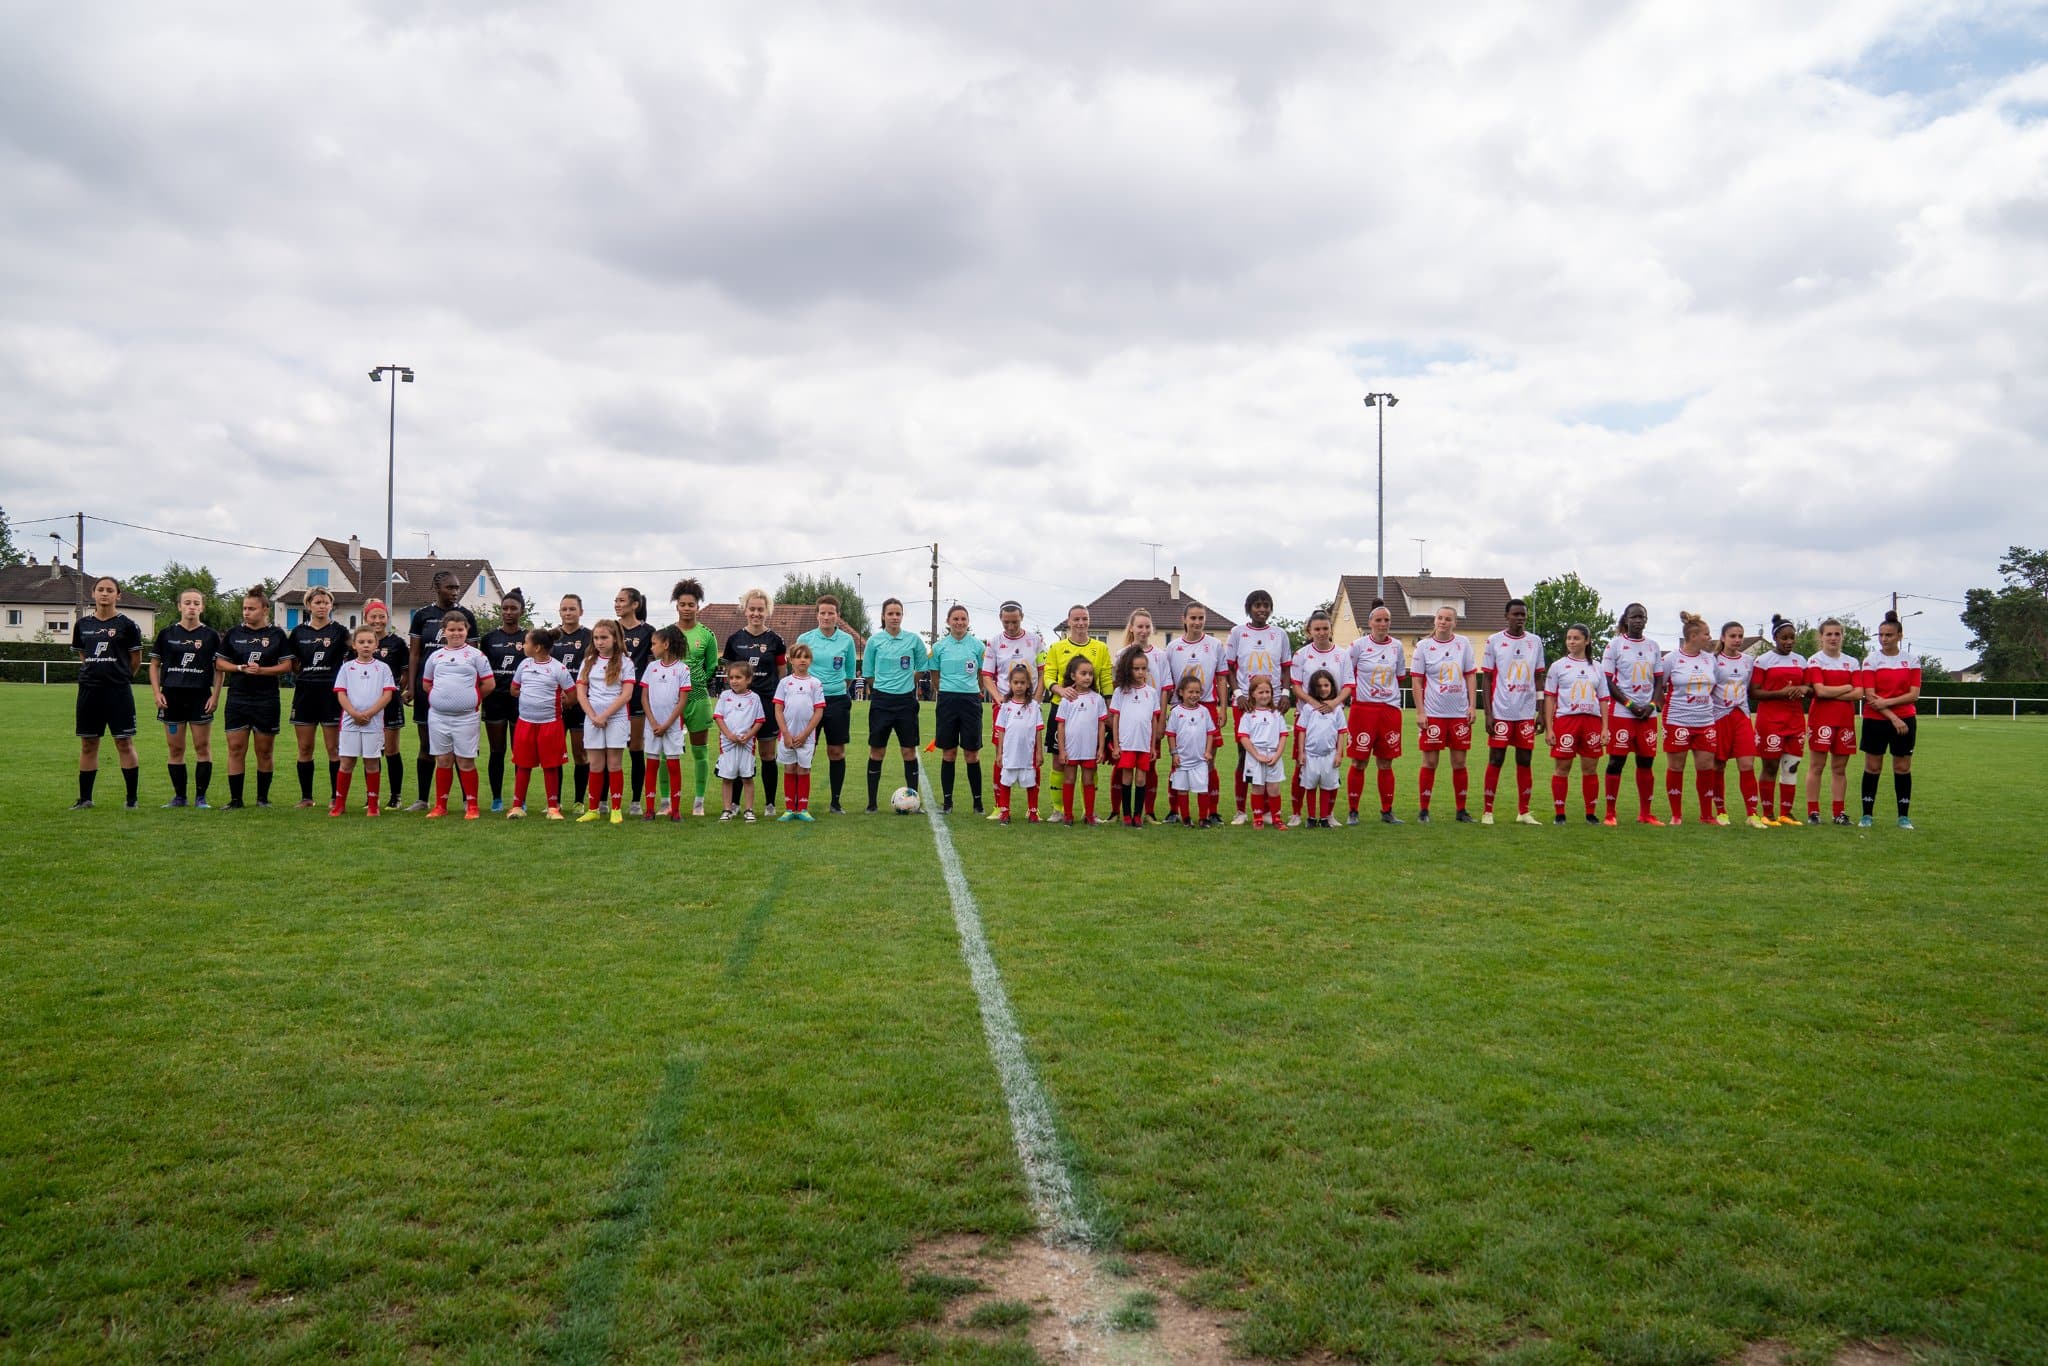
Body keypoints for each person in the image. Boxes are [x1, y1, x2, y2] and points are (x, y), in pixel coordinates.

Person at [406, 570, 478, 812]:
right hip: (428, 690)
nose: (455, 592)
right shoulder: (423, 616)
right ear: (436, 587)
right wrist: (413, 686)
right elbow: (415, 653)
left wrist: (474, 692)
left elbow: (474, 657)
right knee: (427, 745)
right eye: (450, 587)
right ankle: (423, 799)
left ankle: (468, 800)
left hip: (460, 692)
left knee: (460, 749)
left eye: (457, 588)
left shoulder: (466, 616)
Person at [71, 574, 144, 809]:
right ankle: (85, 799)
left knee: (124, 742)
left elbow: (135, 660)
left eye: (109, 590)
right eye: (100, 589)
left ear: (118, 595)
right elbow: (84, 655)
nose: (104, 593)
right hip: (89, 691)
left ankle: (131, 799)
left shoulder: (128, 625)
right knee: (88, 744)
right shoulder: (82, 625)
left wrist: (118, 676)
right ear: (93, 594)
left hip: (118, 692)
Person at [217, 587, 291, 809]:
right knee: (236, 748)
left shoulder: (277, 635)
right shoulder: (234, 634)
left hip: (266, 699)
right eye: (244, 608)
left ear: (265, 609)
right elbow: (219, 663)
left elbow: (287, 665)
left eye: (251, 608)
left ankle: (262, 799)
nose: (246, 612)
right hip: (238, 698)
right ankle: (236, 800)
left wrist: (262, 671)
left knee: (264, 750)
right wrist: (240, 667)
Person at [149, 587, 223, 808]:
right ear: (179, 606)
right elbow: (154, 666)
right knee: (175, 749)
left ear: (202, 607)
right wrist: (157, 692)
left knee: (202, 747)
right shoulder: (166, 634)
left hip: (200, 697)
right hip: (171, 697)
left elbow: (219, 669)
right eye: (187, 602)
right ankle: (179, 797)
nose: (192, 607)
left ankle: (201, 798)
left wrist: (216, 696)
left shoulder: (211, 636)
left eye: (196, 603)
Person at [1225, 590, 1292, 824]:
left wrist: (1284, 693)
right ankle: (1242, 810)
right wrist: (1237, 693)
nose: (1262, 609)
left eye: (1266, 605)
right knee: (1245, 755)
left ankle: (1266, 811)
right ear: (1249, 608)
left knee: (1270, 752)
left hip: (1271, 703)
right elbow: (1230, 669)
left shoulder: (1279, 634)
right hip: (1245, 703)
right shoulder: (1237, 633)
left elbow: (1285, 668)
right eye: (1257, 605)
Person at [1041, 605, 1113, 823]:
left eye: (1085, 619)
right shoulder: (1057, 647)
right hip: (1062, 707)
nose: (1081, 623)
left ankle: (1088, 812)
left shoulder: (1100, 648)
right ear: (1069, 621)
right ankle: (1058, 809)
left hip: (1092, 711)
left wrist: (1108, 709)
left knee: (1090, 760)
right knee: (1059, 762)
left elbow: (1106, 679)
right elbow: (1048, 675)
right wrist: (1060, 690)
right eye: (1077, 619)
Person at [721, 588, 788, 816]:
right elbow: (728, 672)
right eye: (752, 609)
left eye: (760, 609)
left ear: (767, 611)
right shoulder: (734, 640)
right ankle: (735, 804)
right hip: (740, 706)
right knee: (740, 751)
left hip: (767, 703)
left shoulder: (776, 640)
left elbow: (782, 673)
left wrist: (781, 701)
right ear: (745, 610)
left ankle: (770, 804)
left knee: (768, 755)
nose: (756, 613)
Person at [1480, 598, 1546, 826]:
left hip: (1526, 712)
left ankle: (1524, 812)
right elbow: (1487, 678)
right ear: (1506, 616)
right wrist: (1488, 713)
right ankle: (1487, 812)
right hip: (1501, 710)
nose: (1520, 618)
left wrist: (1541, 710)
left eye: (1523, 615)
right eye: (1516, 614)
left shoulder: (1535, 642)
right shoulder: (1494, 641)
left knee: (1524, 760)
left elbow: (1538, 677)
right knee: (1496, 759)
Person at [795, 594, 863, 814]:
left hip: (836, 701)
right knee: (807, 751)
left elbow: (850, 674)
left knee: (836, 751)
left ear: (838, 616)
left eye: (830, 613)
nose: (826, 617)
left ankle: (835, 802)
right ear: (817, 615)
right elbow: (797, 668)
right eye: (822, 613)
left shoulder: (846, 641)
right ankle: (799, 801)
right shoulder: (805, 638)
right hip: (808, 700)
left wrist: (832, 689)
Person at [421, 611, 492, 820]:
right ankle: (440, 805)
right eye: (451, 629)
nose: (456, 633)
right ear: (444, 631)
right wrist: (442, 698)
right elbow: (427, 684)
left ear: (467, 630)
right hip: (438, 717)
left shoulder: (476, 655)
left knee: (465, 761)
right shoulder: (435, 656)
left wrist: (471, 699)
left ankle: (472, 806)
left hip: (466, 718)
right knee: (443, 760)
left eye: (460, 629)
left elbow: (489, 684)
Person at [862, 597, 930, 812]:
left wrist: (907, 683)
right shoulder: (874, 641)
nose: (894, 617)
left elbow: (921, 667)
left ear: (902, 616)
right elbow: (869, 674)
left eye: (897, 613)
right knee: (877, 751)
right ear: (883, 616)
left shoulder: (913, 640)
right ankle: (872, 803)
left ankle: (914, 802)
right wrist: (884, 687)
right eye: (890, 613)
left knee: (908, 750)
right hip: (881, 701)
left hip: (906, 702)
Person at [1601, 602, 1666, 825]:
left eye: (1642, 617)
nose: (1638, 620)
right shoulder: (1614, 646)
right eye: (1634, 617)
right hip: (1622, 713)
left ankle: (1645, 813)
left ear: (1646, 620)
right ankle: (1610, 814)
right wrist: (1629, 704)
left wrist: (1652, 704)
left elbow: (1659, 679)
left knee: (1646, 762)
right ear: (1626, 620)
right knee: (1616, 762)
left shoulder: (1653, 646)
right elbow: (1607, 681)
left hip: (1648, 715)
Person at [1411, 606, 1478, 823]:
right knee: (1430, 763)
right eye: (1440, 618)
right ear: (1434, 620)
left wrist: (1471, 706)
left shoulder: (1463, 643)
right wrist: (1421, 712)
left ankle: (1461, 810)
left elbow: (1470, 676)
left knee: (1459, 762)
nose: (1443, 622)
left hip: (1458, 713)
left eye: (1448, 619)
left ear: (1454, 623)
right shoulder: (1423, 646)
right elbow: (1417, 680)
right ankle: (1423, 810)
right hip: (1434, 714)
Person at [287, 585, 350, 809]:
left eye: (325, 602)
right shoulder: (298, 633)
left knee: (333, 748)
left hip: (331, 695)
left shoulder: (340, 632)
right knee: (305, 747)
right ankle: (306, 797)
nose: (322, 606)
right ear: (308, 606)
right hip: (305, 694)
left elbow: (352, 658)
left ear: (331, 605)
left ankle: (335, 797)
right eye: (317, 603)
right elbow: (293, 664)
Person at [1165, 602, 1228, 821]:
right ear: (1184, 620)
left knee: (1208, 761)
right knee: (1178, 760)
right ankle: (1175, 810)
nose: (1197, 622)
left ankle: (1212, 811)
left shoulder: (1215, 645)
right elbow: (1168, 682)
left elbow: (1221, 677)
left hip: (1208, 707)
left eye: (1201, 618)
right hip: (1179, 708)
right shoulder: (1173, 648)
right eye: (1193, 618)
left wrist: (1222, 707)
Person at [1288, 611, 1352, 826]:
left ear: (1331, 629)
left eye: (1325, 628)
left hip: (1333, 718)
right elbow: (1295, 686)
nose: (1322, 633)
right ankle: (1298, 813)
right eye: (1317, 629)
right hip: (1307, 716)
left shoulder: (1342, 655)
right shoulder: (1301, 655)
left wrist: (1334, 703)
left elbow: (1348, 685)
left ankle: (1329, 815)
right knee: (1302, 765)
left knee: (1331, 768)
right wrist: (1312, 703)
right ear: (1309, 631)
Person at [1859, 609, 1921, 830]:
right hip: (1877, 720)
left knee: (1902, 767)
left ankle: (1903, 817)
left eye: (1889, 635)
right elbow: (1870, 694)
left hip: (1906, 719)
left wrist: (1887, 704)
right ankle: (1867, 815)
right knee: (1873, 767)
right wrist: (1893, 716)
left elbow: (1914, 694)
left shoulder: (1911, 660)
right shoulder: (1871, 660)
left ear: (1900, 636)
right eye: (1881, 635)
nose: (1884, 639)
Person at [981, 601, 1043, 821]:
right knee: (1002, 754)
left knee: (1033, 752)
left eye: (1015, 622)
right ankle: (1000, 806)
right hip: (1005, 707)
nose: (1010, 626)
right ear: (1000, 619)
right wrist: (999, 699)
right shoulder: (994, 642)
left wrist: (1035, 698)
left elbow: (1043, 671)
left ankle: (1032, 808)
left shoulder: (1036, 641)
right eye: (1006, 622)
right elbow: (987, 675)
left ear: (1022, 617)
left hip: (1030, 705)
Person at [1345, 602, 1406, 825]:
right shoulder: (1358, 646)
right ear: (1370, 623)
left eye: (1386, 620)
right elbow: (1347, 674)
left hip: (1389, 710)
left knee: (1386, 763)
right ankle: (1353, 811)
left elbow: (1399, 677)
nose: (1382, 624)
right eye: (1378, 620)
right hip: (1363, 710)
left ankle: (1387, 811)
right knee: (1359, 762)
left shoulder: (1397, 646)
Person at [1542, 625, 1610, 825]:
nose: (1571, 642)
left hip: (1591, 722)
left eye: (1576, 638)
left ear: (1587, 641)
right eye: (1569, 638)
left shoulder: (1597, 667)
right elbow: (1549, 698)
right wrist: (1550, 727)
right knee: (1562, 768)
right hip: (1566, 721)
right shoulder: (1558, 666)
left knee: (1590, 768)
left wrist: (1605, 727)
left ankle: (1590, 814)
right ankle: (1560, 813)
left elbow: (1604, 698)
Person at [1661, 611, 1722, 826]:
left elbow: (1714, 687)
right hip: (1677, 720)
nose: (1709, 637)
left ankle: (1706, 815)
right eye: (1706, 634)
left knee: (1706, 767)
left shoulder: (1710, 660)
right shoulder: (1670, 659)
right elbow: (1660, 687)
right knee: (1676, 767)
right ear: (1693, 636)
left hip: (1705, 721)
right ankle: (1676, 815)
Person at [670, 580, 725, 816]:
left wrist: (698, 681)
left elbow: (712, 665)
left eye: (690, 604)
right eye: (682, 604)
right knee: (667, 753)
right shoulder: (667, 633)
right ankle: (665, 802)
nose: (686, 608)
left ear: (697, 606)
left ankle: (699, 801)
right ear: (677, 606)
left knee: (700, 750)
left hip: (698, 697)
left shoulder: (707, 635)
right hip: (669, 700)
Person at [509, 627, 575, 820]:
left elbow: (572, 695)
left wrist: (557, 702)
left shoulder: (558, 668)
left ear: (537, 647)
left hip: (550, 724)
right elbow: (514, 689)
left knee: (550, 765)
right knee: (523, 764)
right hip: (525, 723)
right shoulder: (524, 665)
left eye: (527, 642)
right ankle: (516, 806)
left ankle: (553, 808)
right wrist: (530, 697)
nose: (523, 645)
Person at [331, 626, 396, 816]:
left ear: (376, 645)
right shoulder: (346, 667)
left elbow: (387, 695)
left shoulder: (383, 668)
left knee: (372, 763)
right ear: (354, 645)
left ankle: (373, 806)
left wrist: (369, 713)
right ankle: (339, 804)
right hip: (350, 723)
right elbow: (341, 694)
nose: (366, 645)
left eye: (369, 642)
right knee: (346, 763)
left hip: (374, 723)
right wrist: (353, 713)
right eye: (361, 642)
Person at [575, 619, 635, 824]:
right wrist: (593, 716)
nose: (599, 642)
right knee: (595, 765)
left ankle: (616, 809)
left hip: (616, 719)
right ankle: (593, 809)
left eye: (604, 637)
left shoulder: (626, 663)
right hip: (593, 719)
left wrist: (605, 715)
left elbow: (626, 695)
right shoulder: (589, 661)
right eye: (596, 638)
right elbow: (581, 691)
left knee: (614, 764)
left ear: (615, 639)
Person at [930, 604, 987, 815]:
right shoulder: (939, 647)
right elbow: (935, 674)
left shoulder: (978, 646)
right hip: (947, 701)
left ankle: (978, 803)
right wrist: (944, 691)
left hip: (970, 701)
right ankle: (947, 803)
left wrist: (974, 689)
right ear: (948, 621)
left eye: (963, 619)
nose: (959, 622)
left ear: (968, 621)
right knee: (949, 752)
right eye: (955, 619)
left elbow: (983, 673)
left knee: (972, 753)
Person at [1751, 615, 1808, 826]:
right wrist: (1781, 693)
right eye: (1784, 638)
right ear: (1775, 637)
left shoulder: (1801, 660)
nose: (1789, 642)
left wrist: (1803, 688)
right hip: (1771, 721)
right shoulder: (1763, 660)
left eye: (1792, 638)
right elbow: (1754, 692)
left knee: (1791, 767)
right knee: (1771, 766)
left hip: (1794, 721)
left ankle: (1786, 812)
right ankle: (1767, 812)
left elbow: (1810, 688)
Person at [1803, 618, 1860, 825]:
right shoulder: (1815, 660)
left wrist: (1833, 692)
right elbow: (1820, 690)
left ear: (1842, 636)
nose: (1833, 638)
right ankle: (1813, 812)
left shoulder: (1852, 662)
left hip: (1844, 721)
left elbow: (1859, 693)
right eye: (1829, 634)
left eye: (1837, 634)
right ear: (1821, 637)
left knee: (1839, 768)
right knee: (1816, 766)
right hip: (1821, 720)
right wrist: (1847, 687)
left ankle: (1839, 813)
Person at [1119, 610, 1173, 819]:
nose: (1143, 630)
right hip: (1128, 725)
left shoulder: (1160, 655)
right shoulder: (1122, 654)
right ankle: (1119, 811)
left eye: (1147, 626)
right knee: (1123, 768)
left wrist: (1160, 722)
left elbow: (1165, 688)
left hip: (1150, 722)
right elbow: (1118, 689)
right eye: (1139, 626)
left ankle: (1147, 812)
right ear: (1131, 628)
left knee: (1149, 767)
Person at [479, 590, 529, 812]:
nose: (508, 613)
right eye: (504, 608)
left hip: (521, 701)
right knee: (497, 751)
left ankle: (520, 799)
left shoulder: (529, 638)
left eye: (513, 608)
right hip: (495, 700)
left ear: (522, 611)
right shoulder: (489, 639)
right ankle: (497, 798)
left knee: (520, 753)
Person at [1713, 621, 1765, 828]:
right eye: (1732, 636)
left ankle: (1752, 813)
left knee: (1747, 764)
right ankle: (1721, 812)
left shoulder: (1749, 661)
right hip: (1719, 717)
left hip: (1741, 716)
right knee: (1719, 765)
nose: (1737, 640)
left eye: (1740, 636)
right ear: (1723, 638)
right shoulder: (1713, 660)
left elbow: (1751, 688)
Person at [640, 624, 694, 821]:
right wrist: (654, 722)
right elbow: (644, 697)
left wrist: (666, 724)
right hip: (652, 726)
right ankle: (649, 809)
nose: (651, 647)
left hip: (672, 727)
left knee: (673, 766)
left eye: (654, 644)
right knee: (652, 765)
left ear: (666, 644)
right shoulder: (651, 668)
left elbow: (682, 701)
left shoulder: (682, 669)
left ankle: (676, 810)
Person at [614, 587, 656, 812]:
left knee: (636, 748)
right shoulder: (611, 629)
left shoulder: (648, 632)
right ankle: (605, 801)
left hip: (638, 697)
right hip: (612, 696)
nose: (617, 604)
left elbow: (654, 665)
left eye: (621, 600)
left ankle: (636, 802)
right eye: (616, 601)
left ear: (635, 605)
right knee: (611, 748)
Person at [549, 594, 593, 811]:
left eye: (572, 609)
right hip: (556, 702)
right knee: (556, 753)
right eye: (564, 609)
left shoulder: (590, 637)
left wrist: (576, 695)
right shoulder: (551, 637)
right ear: (559, 612)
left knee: (580, 753)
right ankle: (554, 802)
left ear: (581, 612)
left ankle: (578, 801)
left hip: (581, 703)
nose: (568, 613)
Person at [773, 642, 826, 821]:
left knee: (803, 770)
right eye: (798, 657)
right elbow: (778, 710)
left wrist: (804, 734)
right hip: (787, 736)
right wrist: (786, 734)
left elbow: (819, 711)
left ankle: (802, 808)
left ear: (810, 661)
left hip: (807, 737)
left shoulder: (815, 684)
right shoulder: (784, 683)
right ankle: (789, 809)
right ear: (790, 660)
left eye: (806, 657)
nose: (802, 660)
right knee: (789, 768)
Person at [1108, 646, 1159, 827]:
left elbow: (1153, 720)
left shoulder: (1152, 693)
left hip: (1144, 745)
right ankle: (1127, 814)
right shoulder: (1121, 692)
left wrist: (1153, 746)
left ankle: (1138, 815)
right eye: (1136, 668)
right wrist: (1116, 744)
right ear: (1128, 669)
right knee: (1127, 777)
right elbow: (1115, 719)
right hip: (1126, 744)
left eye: (1143, 668)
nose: (1140, 672)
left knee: (1141, 779)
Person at [1054, 657, 1108, 825]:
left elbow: (1101, 725)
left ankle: (1089, 815)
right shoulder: (1067, 698)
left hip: (1089, 750)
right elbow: (1061, 727)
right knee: (1069, 779)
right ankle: (1068, 815)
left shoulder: (1097, 699)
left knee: (1088, 780)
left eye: (1090, 674)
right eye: (1083, 673)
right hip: (1071, 749)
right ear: (1073, 676)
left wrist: (1100, 748)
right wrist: (1062, 750)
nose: (1087, 677)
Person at [365, 601, 409, 808]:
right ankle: (371, 796)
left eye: (381, 616)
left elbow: (406, 672)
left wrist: (400, 690)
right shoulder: (361, 641)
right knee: (371, 751)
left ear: (387, 618)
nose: (377, 621)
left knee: (391, 750)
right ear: (366, 618)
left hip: (390, 703)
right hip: (366, 705)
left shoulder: (397, 643)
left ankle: (395, 797)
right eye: (373, 617)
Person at [1163, 672, 1220, 826]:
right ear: (1181, 692)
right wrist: (1174, 753)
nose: (1194, 695)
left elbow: (1210, 733)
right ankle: (1186, 818)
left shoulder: (1204, 711)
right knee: (1182, 789)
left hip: (1200, 759)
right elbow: (1171, 735)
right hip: (1182, 759)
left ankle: (1203, 818)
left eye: (1197, 692)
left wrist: (1208, 751)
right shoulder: (1176, 712)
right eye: (1191, 692)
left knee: (1202, 789)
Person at [992, 663, 1045, 824]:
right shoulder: (1006, 706)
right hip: (1010, 753)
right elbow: (1001, 731)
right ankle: (1005, 811)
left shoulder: (1034, 706)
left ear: (1028, 684)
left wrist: (1039, 752)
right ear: (1010, 684)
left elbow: (1038, 730)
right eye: (1016, 682)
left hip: (1027, 754)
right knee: (1006, 781)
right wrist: (1000, 753)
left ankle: (1033, 812)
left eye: (1022, 682)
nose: (1019, 686)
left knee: (1030, 782)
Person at [1235, 675, 1290, 830]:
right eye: (1261, 692)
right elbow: (1244, 738)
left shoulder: (1277, 714)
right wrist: (1257, 755)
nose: (1265, 695)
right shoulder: (1248, 715)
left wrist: (1277, 755)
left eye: (1268, 692)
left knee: (1274, 788)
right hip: (1255, 756)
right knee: (1257, 787)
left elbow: (1283, 736)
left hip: (1273, 755)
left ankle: (1276, 818)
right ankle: (1258, 817)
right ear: (1252, 694)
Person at [714, 659, 765, 822]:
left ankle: (749, 809)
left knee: (747, 777)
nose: (734, 681)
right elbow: (718, 717)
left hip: (747, 745)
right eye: (731, 678)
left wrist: (749, 735)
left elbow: (759, 720)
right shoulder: (724, 696)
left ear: (748, 679)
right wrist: (729, 734)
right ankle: (727, 809)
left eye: (738, 677)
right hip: (728, 745)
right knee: (727, 778)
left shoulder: (755, 698)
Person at [1294, 669, 1346, 827]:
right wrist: (1301, 752)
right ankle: (1311, 818)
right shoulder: (1308, 709)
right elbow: (1302, 731)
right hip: (1311, 756)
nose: (1323, 689)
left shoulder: (1337, 709)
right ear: (1313, 688)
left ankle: (1324, 817)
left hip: (1329, 756)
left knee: (1326, 787)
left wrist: (1339, 754)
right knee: (1310, 787)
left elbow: (1341, 732)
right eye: (1319, 686)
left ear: (1332, 686)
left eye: (1326, 685)